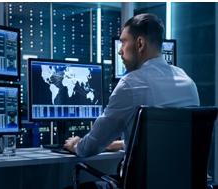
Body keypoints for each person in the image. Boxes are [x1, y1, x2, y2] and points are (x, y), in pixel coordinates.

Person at [63, 13, 199, 189]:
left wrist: (76, 145)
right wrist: (120, 143)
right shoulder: (188, 82)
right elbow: (169, 142)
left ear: (140, 44)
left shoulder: (131, 84)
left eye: (123, 42)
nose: (120, 50)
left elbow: (90, 148)